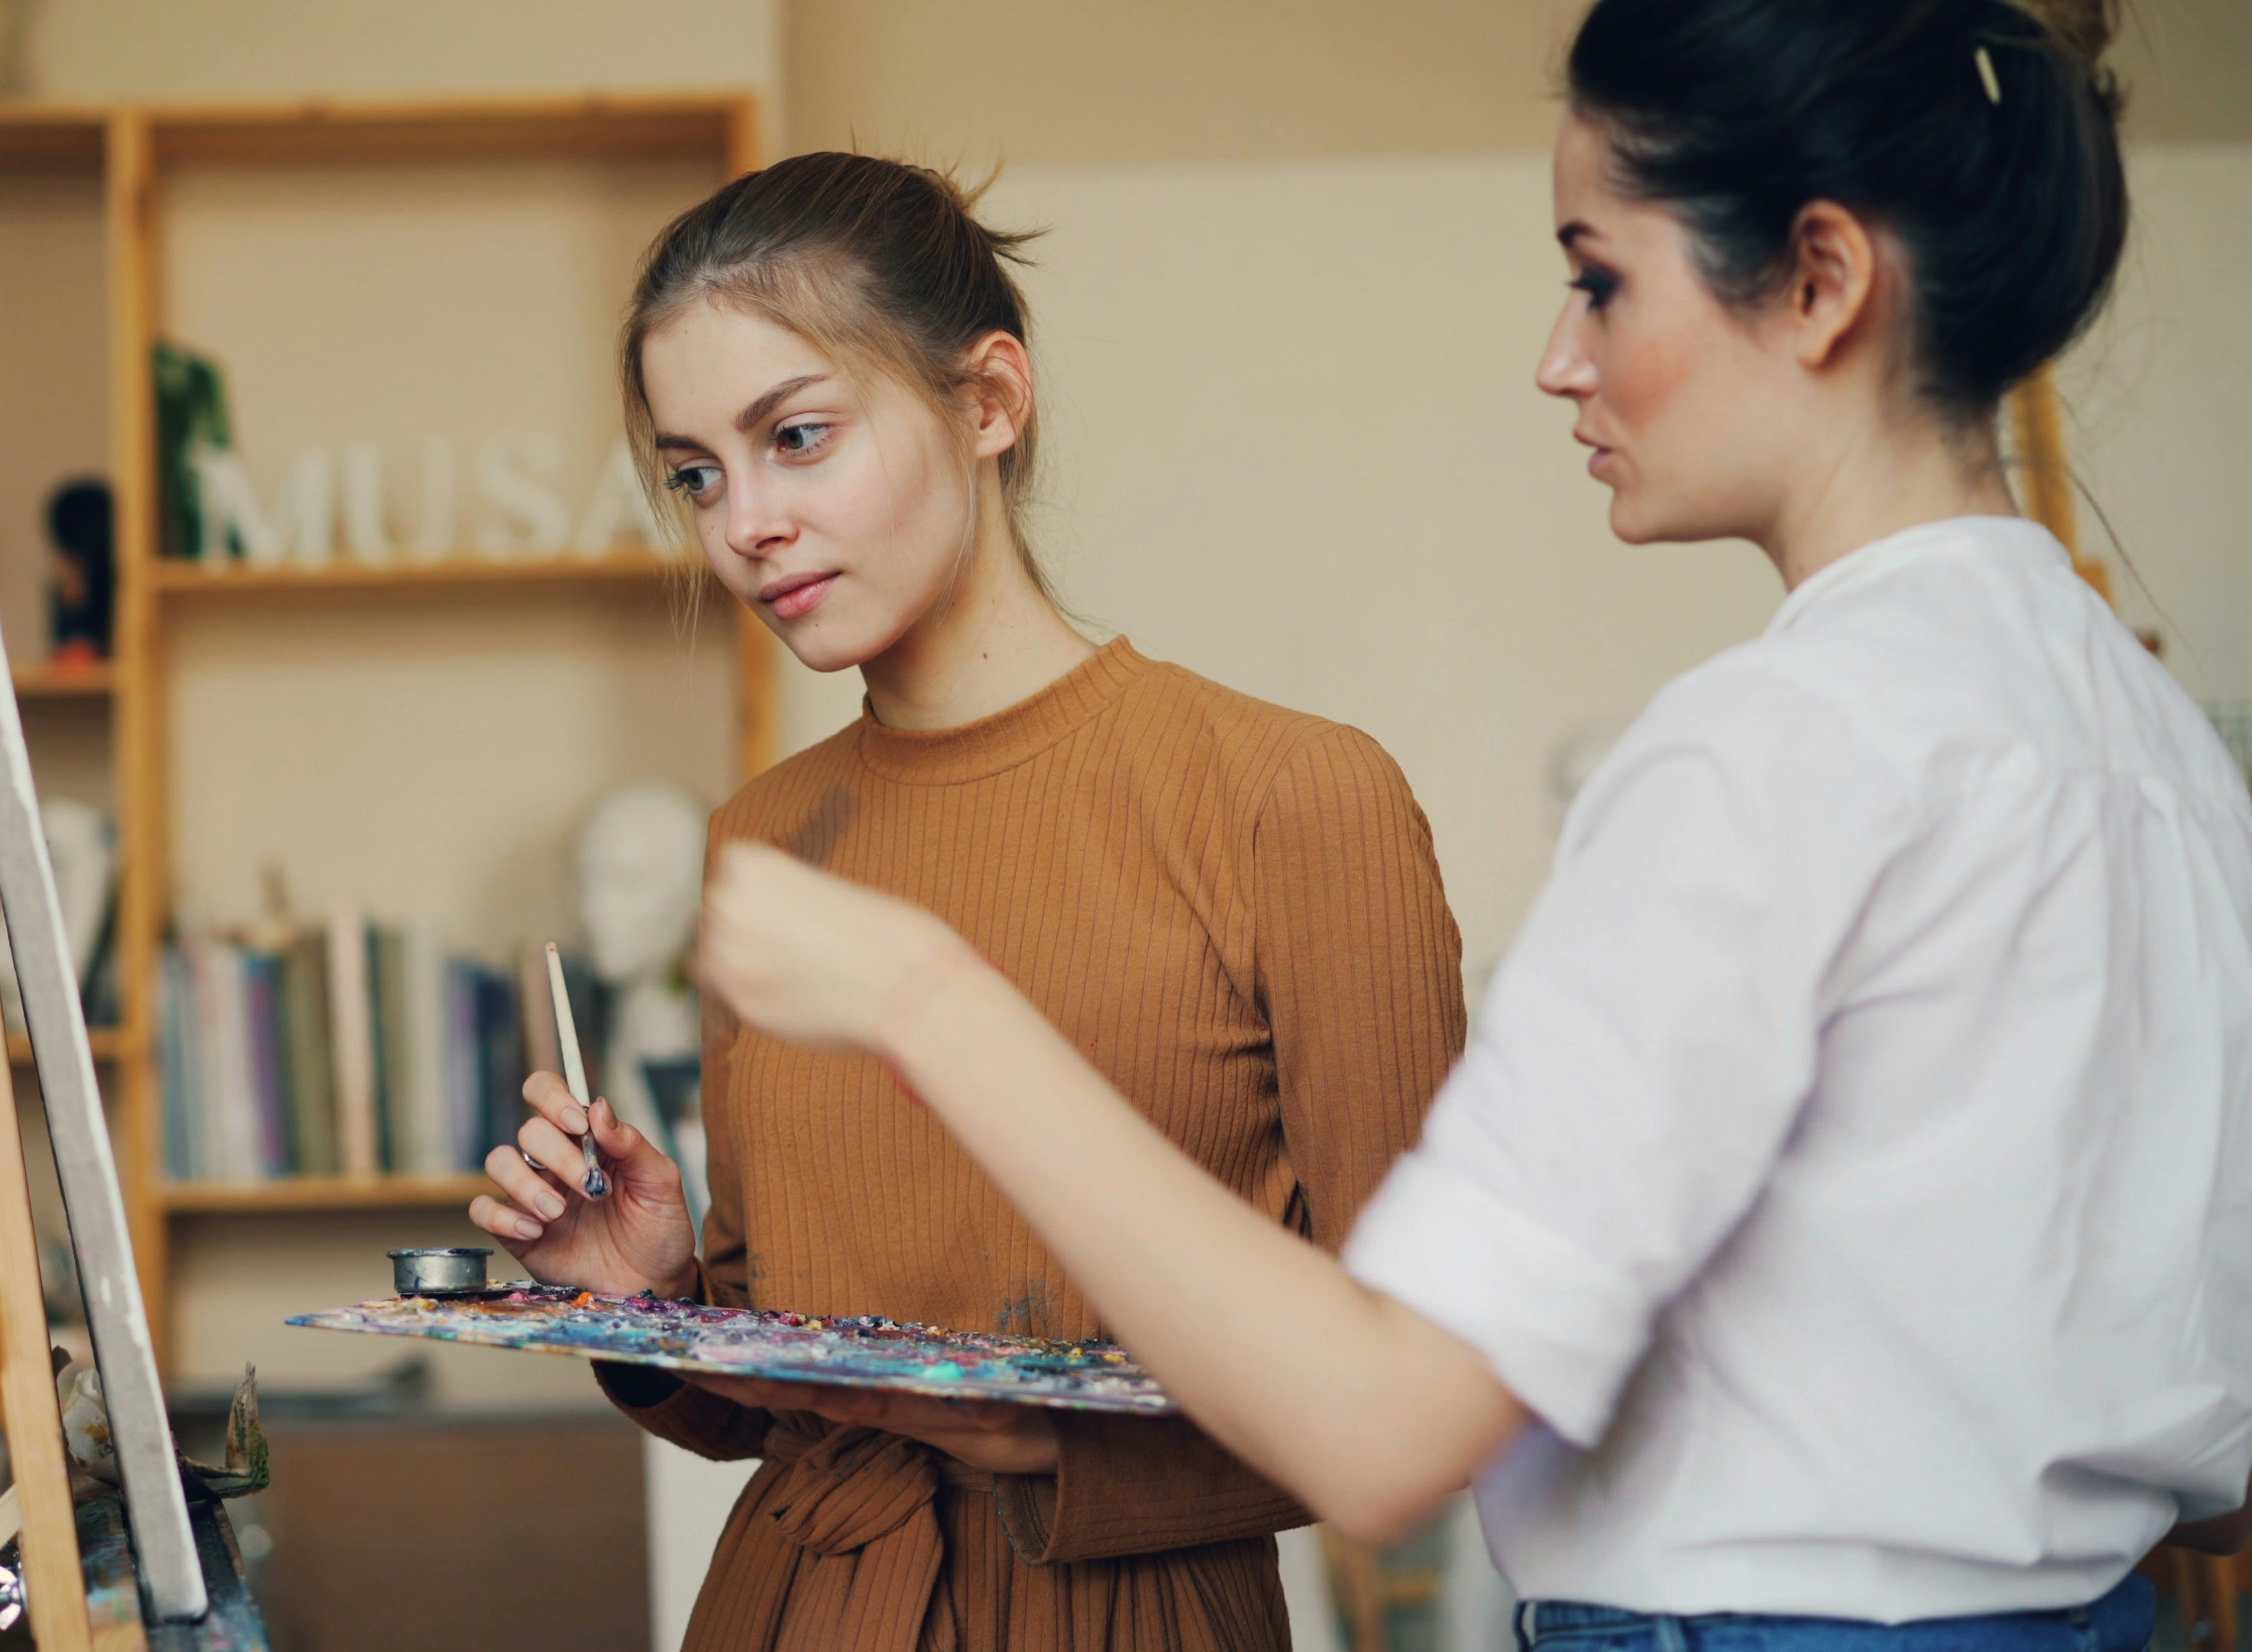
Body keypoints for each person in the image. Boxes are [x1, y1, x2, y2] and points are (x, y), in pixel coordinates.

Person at [692, 0, 2252, 1642]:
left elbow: (1385, 1427)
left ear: (1820, 279)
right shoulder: (2164, 756)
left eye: (1599, 276)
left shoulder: (1770, 752)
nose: (1558, 355)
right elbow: (2214, 1462)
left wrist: (925, 1003)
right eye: (695, 475)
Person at [468, 151, 1468, 1649]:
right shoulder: (762, 842)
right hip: (784, 1606)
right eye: (697, 473)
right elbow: (787, 1399)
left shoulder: (1294, 799)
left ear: (989, 401)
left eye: (796, 437)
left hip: (1131, 1619)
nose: (743, 522)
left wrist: (1058, 1450)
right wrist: (657, 1299)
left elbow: (1426, 1378)